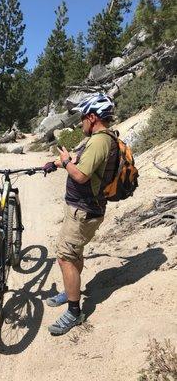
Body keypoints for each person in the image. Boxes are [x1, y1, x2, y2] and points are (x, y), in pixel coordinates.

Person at [43, 93, 119, 335]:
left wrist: (65, 162)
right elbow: (82, 162)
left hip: (85, 210)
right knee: (74, 253)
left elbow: (81, 175)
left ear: (93, 117)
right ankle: (70, 289)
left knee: (65, 257)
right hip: (82, 209)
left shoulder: (99, 141)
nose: (81, 122)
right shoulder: (100, 139)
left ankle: (75, 312)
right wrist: (57, 163)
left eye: (83, 117)